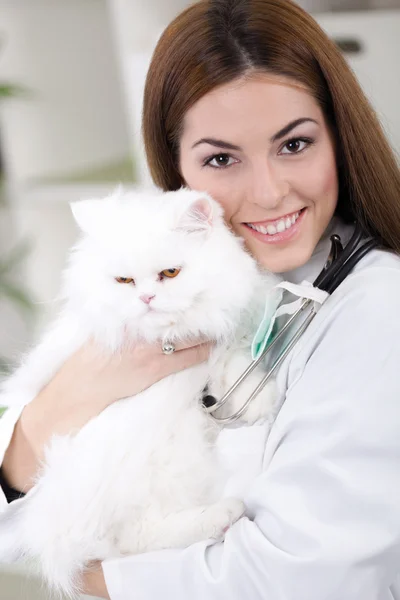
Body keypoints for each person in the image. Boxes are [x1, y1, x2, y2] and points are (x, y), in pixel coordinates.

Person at [1, 0, 400, 597]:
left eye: (294, 145)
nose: (268, 192)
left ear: (340, 137)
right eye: (220, 158)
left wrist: (94, 579)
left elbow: (299, 577)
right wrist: (62, 403)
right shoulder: (155, 284)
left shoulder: (378, 309)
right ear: (179, 169)